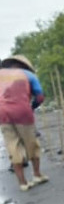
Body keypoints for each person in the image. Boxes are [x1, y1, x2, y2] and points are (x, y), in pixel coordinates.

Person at [0, 55, 48, 191]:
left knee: (12, 145)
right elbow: (40, 96)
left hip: (2, 113)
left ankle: (22, 183)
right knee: (31, 142)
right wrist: (32, 107)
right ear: (23, 66)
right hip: (22, 111)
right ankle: (37, 175)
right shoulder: (27, 74)